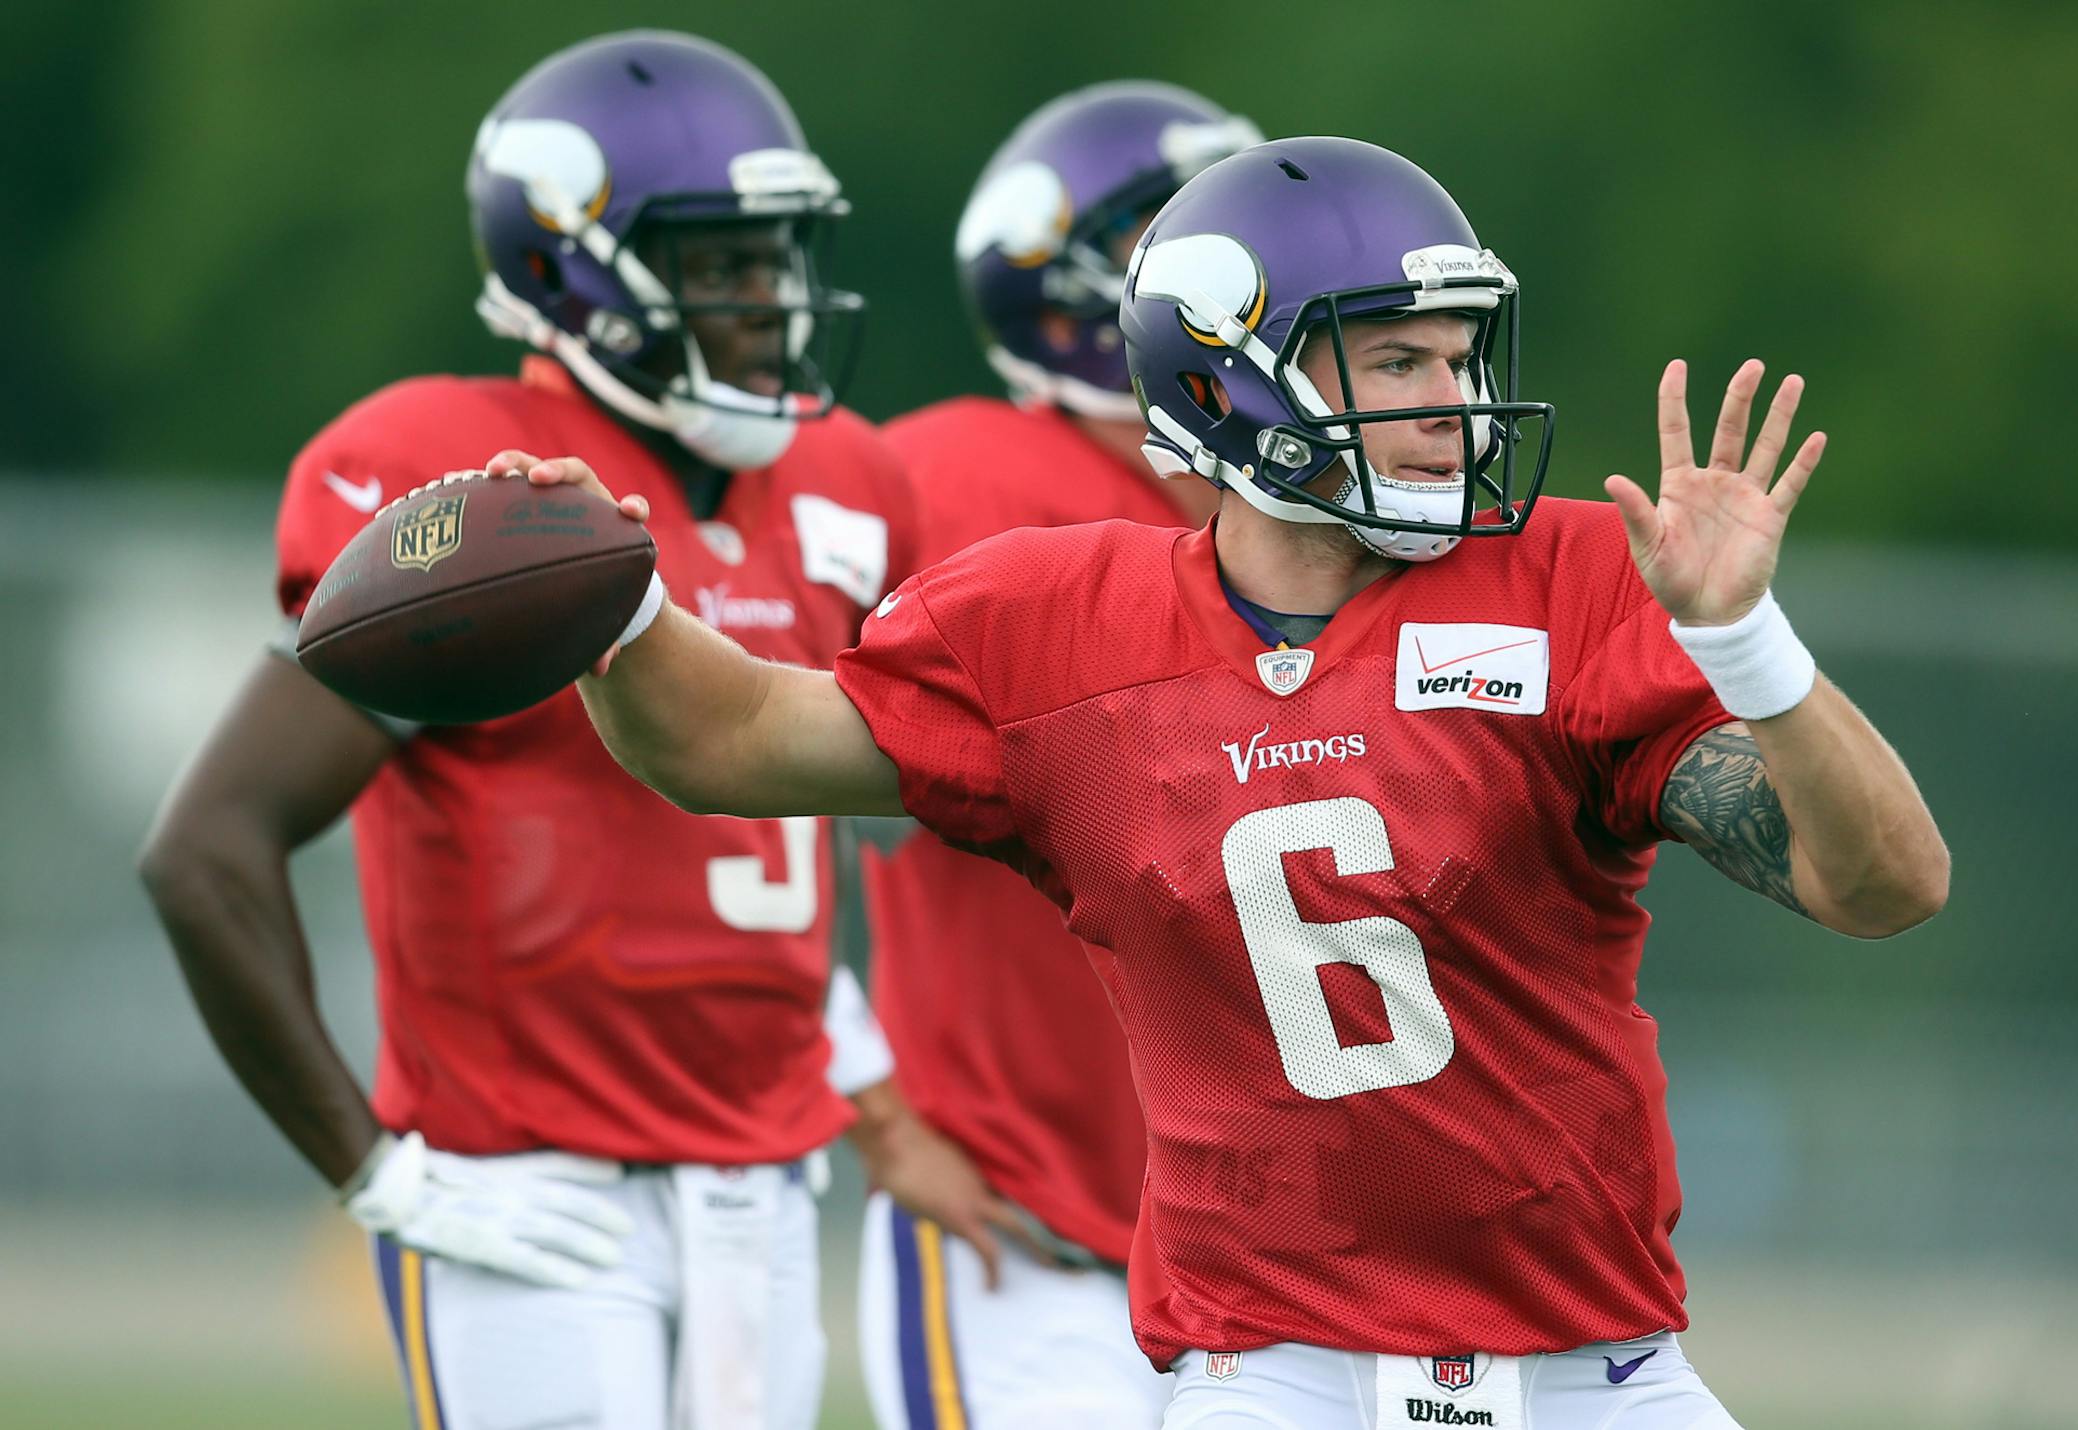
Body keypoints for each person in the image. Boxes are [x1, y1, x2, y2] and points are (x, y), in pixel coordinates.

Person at [493, 135, 1950, 1430]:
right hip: (1272, 1371)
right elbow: (728, 740)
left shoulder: (1564, 580)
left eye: (1462, 357)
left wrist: (1749, 643)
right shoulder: (1056, 625)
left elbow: (1884, 885)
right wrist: (615, 611)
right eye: (1398, 361)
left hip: (1595, 1363)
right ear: (1228, 378)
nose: (1453, 401)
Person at [137, 31, 997, 1430]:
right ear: (569, 273)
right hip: (536, 1184)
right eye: (725, 264)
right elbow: (205, 848)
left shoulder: (851, 483)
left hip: (765, 1194)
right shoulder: (472, 499)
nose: (769, 302)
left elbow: (783, 866)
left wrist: (864, 1080)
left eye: (778, 259)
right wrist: (378, 1169)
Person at [853, 80, 1258, 1430]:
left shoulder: (1294, 517)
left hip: (1261, 1269)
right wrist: (856, 1091)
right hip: (1026, 1238)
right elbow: (724, 778)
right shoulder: (954, 479)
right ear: (1084, 293)